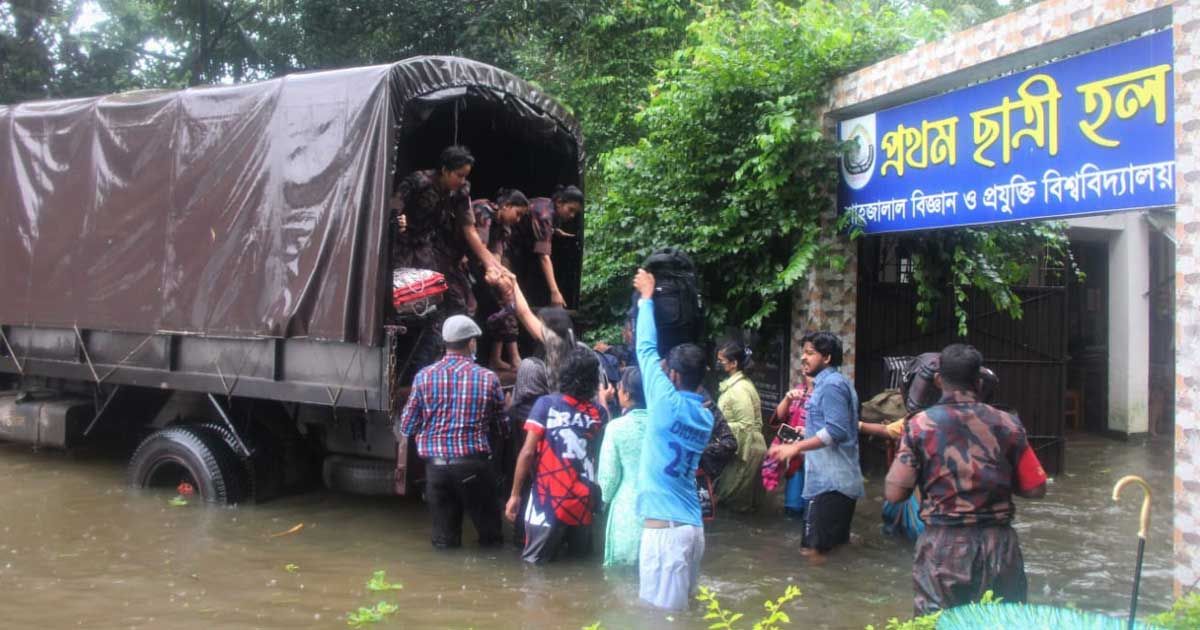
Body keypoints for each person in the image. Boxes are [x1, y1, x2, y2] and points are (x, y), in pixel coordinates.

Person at [884, 344, 1048, 616]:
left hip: (943, 548)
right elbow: (1036, 489)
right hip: (1000, 548)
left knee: (937, 621)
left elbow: (895, 493)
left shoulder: (918, 426)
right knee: (1003, 620)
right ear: (978, 381)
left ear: (938, 380)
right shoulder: (1008, 424)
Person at [632, 268, 714, 611]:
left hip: (665, 534)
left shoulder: (665, 403)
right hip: (692, 530)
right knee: (683, 613)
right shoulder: (706, 417)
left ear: (675, 375)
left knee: (657, 620)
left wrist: (647, 300)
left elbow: (646, 349)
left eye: (668, 371)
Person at [395, 315, 505, 549]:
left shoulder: (424, 377)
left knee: (444, 542)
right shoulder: (488, 378)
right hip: (473, 468)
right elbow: (502, 426)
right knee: (491, 538)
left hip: (437, 470)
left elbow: (407, 426)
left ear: (445, 343)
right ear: (471, 343)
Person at [505, 348, 611, 563]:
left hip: (548, 501)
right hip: (584, 504)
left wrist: (515, 495)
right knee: (580, 566)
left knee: (534, 567)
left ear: (563, 374)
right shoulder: (598, 413)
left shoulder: (546, 404)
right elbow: (600, 457)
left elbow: (527, 453)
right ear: (594, 379)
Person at [766, 332, 864, 559]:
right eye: (804, 352)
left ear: (827, 358)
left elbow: (836, 431)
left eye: (810, 353)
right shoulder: (835, 384)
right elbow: (837, 426)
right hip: (835, 481)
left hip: (830, 484)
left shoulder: (831, 386)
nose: (803, 358)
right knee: (832, 551)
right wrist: (805, 433)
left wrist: (796, 448)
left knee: (812, 553)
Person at [390, 145, 475, 370]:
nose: (462, 181)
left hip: (427, 246)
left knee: (434, 300)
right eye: (459, 175)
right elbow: (394, 206)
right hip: (404, 246)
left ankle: (427, 361)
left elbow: (464, 226)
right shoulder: (419, 181)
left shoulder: (458, 191)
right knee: (402, 301)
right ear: (445, 170)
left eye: (465, 176)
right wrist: (398, 219)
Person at [466, 189, 530, 370]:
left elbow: (497, 254)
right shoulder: (483, 211)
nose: (518, 220)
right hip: (461, 262)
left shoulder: (504, 226)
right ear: (506, 206)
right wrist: (493, 271)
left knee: (506, 301)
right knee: (467, 307)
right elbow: (480, 247)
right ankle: (467, 359)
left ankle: (502, 357)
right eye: (517, 214)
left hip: (482, 266)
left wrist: (499, 276)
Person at [597, 366, 648, 568]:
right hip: (664, 512)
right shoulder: (664, 425)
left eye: (619, 388)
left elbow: (607, 483)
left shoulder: (616, 428)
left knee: (621, 584)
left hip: (628, 512)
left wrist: (601, 505)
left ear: (626, 394)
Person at [713, 341, 767, 513]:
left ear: (734, 363)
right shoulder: (737, 385)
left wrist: (716, 427)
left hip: (747, 450)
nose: (717, 365)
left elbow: (746, 425)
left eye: (721, 361)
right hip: (744, 447)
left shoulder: (739, 390)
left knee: (734, 504)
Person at [512, 185, 584, 308]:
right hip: (508, 244)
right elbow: (544, 257)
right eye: (570, 210)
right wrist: (555, 292)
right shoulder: (545, 215)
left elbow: (539, 224)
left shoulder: (548, 204)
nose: (572, 215)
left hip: (519, 246)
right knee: (510, 290)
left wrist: (555, 231)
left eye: (575, 213)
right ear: (560, 202)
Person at [763, 375, 813, 517]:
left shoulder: (826, 395)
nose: (805, 372)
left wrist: (809, 432)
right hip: (794, 456)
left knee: (812, 509)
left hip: (816, 458)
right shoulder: (799, 392)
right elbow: (778, 418)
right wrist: (787, 399)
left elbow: (832, 430)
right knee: (793, 508)